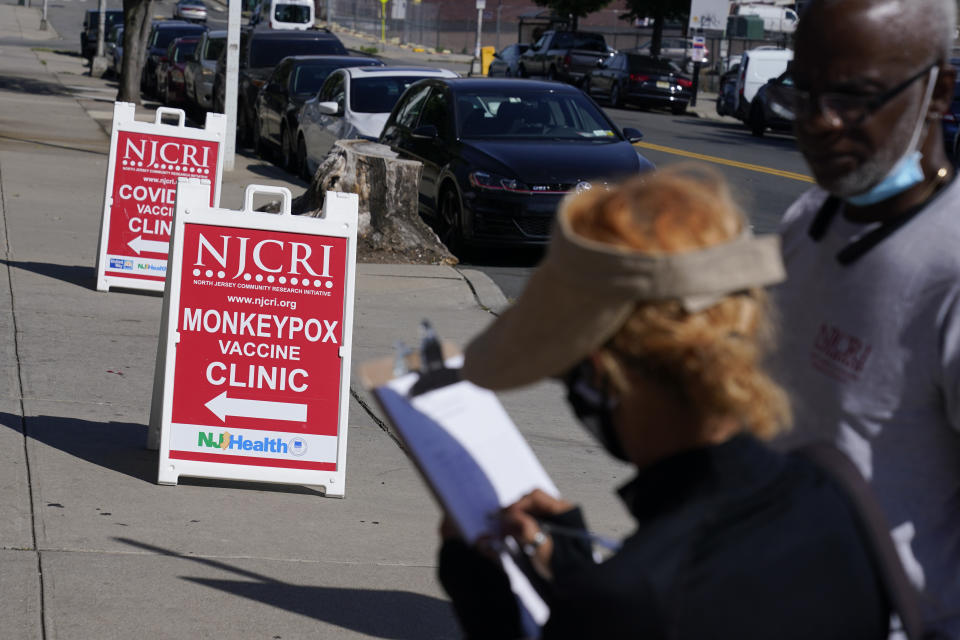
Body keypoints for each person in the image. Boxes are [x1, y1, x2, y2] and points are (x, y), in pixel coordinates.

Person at [437, 166, 890, 639]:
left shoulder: (631, 599)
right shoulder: (833, 496)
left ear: (600, 374)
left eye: (569, 372)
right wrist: (574, 572)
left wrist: (478, 588)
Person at [766, 0, 960, 634]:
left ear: (939, 92)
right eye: (804, 90)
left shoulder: (949, 271)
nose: (820, 121)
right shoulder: (813, 215)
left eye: (854, 97)